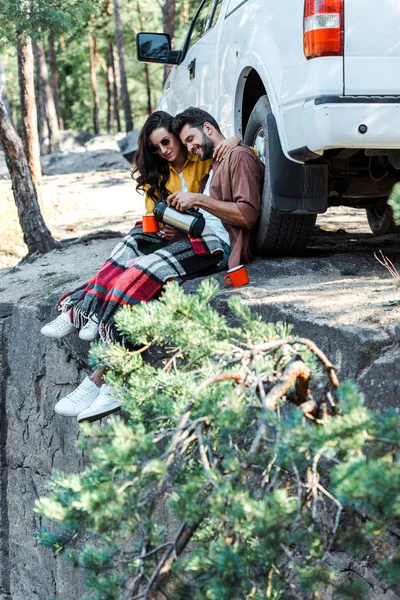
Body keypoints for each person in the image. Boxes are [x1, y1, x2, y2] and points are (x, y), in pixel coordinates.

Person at [40, 110, 240, 423]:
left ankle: (103, 368)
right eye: (155, 147)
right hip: (176, 237)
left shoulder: (203, 156)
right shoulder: (158, 174)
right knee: (133, 241)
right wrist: (163, 229)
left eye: (168, 142)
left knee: (138, 272)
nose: (164, 150)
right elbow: (153, 220)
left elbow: (239, 153)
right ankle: (85, 312)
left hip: (202, 241)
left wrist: (235, 139)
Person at [170, 107, 264, 270]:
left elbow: (247, 216)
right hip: (197, 236)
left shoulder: (238, 155)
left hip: (218, 245)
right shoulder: (212, 166)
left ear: (208, 128)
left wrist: (198, 199)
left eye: (191, 139)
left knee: (142, 270)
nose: (190, 148)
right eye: (186, 144)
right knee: (136, 246)